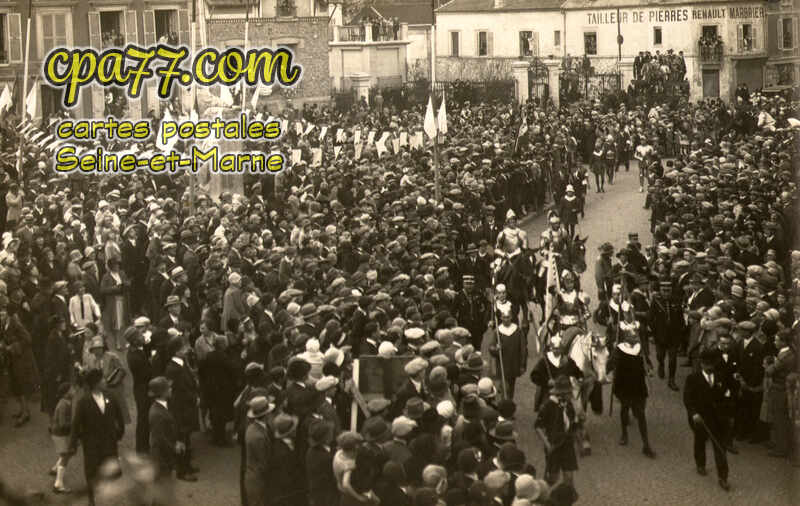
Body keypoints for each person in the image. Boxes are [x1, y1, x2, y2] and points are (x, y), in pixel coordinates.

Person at [68, 368, 125, 505]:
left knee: (111, 469)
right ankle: (92, 499)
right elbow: (76, 424)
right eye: (102, 380)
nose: (105, 381)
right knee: (92, 471)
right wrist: (73, 444)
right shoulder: (83, 402)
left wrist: (119, 433)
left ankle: (110, 498)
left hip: (109, 441)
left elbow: (119, 417)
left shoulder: (110, 397)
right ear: (96, 383)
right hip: (92, 443)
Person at [683, 349, 730, 491]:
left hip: (718, 419)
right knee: (700, 441)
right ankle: (700, 463)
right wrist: (693, 413)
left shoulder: (721, 377)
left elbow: (726, 396)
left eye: (711, 365)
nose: (709, 368)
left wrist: (727, 412)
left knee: (720, 447)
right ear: (701, 364)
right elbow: (687, 399)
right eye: (706, 365)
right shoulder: (692, 379)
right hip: (700, 418)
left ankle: (723, 477)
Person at [609, 326, 656, 458]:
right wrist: (608, 369)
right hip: (624, 384)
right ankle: (624, 433)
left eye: (636, 336)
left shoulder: (640, 348)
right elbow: (611, 363)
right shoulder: (619, 349)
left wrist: (650, 368)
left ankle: (646, 445)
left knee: (641, 414)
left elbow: (647, 362)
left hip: (638, 384)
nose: (636, 338)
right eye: (633, 336)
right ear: (626, 337)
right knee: (624, 409)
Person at [535, 375, 578, 485]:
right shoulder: (548, 405)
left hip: (567, 444)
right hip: (553, 444)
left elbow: (573, 423)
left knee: (569, 478)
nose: (571, 395)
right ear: (562, 393)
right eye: (569, 393)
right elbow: (538, 426)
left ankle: (566, 500)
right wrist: (547, 444)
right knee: (552, 479)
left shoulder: (568, 405)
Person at [650, 281, 684, 391]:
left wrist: (680, 334)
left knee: (672, 359)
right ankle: (660, 364)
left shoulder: (676, 301)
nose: (666, 293)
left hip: (673, 336)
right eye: (663, 290)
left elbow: (681, 319)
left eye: (668, 290)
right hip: (660, 336)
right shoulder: (656, 302)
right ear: (660, 290)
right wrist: (653, 333)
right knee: (660, 355)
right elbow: (651, 318)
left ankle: (671, 380)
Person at [126, 325, 153, 454]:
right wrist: (151, 362)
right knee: (143, 418)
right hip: (142, 389)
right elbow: (146, 373)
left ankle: (143, 445)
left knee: (144, 417)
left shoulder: (136, 351)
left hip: (141, 387)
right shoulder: (134, 356)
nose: (142, 336)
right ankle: (142, 446)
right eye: (139, 335)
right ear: (134, 340)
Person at [244, 395, 274, 506]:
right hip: (258, 481)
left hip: (253, 477)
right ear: (266, 414)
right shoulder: (259, 436)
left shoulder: (252, 427)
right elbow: (263, 462)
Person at [491, 310, 527, 399]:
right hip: (502, 363)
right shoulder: (498, 331)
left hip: (514, 364)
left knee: (511, 387)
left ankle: (509, 404)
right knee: (505, 388)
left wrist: (522, 364)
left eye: (508, 317)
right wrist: (496, 348)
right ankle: (504, 405)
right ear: (501, 318)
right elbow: (491, 347)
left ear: (511, 317)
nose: (506, 319)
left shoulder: (517, 330)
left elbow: (523, 349)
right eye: (503, 317)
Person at [50, 382, 74, 494]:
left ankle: (55, 468)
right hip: (60, 434)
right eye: (71, 389)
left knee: (67, 452)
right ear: (66, 393)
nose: (73, 391)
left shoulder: (66, 402)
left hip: (60, 434)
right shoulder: (63, 405)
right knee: (66, 455)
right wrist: (75, 424)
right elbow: (62, 424)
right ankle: (58, 484)